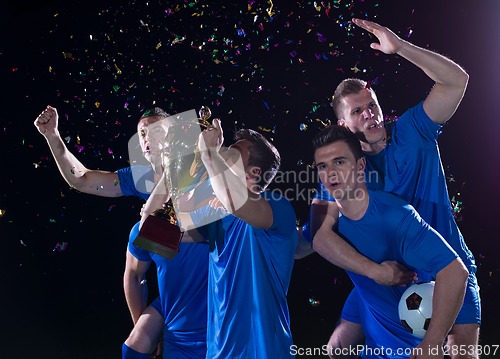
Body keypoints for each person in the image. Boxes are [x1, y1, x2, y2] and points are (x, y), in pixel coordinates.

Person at [307, 18, 480, 359]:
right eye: (358, 111)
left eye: (372, 105)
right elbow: (319, 234)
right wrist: (374, 271)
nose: (370, 114)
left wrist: (400, 47)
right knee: (337, 348)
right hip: (384, 279)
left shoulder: (413, 131)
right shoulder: (342, 168)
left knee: (460, 353)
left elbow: (457, 81)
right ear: (344, 124)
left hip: (442, 268)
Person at [34, 105, 209, 358]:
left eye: (155, 130)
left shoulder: (203, 172)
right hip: (173, 290)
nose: (147, 138)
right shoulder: (142, 178)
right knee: (134, 346)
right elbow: (81, 179)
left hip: (208, 285)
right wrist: (53, 136)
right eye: (142, 134)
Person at [142, 119, 298, 358]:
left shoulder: (278, 207)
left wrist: (209, 155)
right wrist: (170, 170)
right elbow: (151, 231)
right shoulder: (215, 214)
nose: (224, 152)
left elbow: (235, 200)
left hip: (264, 350)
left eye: (233, 152)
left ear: (254, 173)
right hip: (218, 352)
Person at [313, 125, 468, 359]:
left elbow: (456, 272)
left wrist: (433, 342)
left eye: (340, 162)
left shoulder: (396, 216)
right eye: (323, 167)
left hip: (408, 344)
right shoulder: (328, 221)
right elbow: (313, 241)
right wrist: (374, 271)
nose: (330, 173)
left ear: (360, 166)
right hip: (374, 339)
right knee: (335, 350)